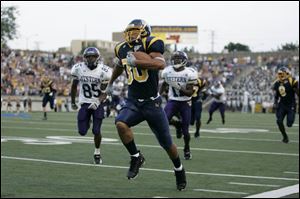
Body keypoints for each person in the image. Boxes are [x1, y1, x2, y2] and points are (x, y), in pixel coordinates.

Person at [105, 19, 186, 191]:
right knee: (120, 123)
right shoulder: (122, 48)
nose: (131, 34)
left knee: (167, 143)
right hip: (133, 101)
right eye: (130, 31)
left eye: (135, 31)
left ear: (144, 32)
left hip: (152, 103)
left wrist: (138, 61)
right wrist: (111, 82)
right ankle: (136, 157)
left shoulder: (152, 43)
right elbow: (120, 65)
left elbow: (160, 64)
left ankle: (178, 168)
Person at [71, 47, 112, 164]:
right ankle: (88, 121)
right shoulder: (78, 69)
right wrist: (73, 102)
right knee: (82, 132)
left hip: (97, 104)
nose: (90, 59)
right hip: (84, 103)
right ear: (85, 58)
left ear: (97, 57)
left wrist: (97, 102)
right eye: (88, 56)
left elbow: (105, 92)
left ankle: (97, 152)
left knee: (96, 131)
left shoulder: (104, 71)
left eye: (93, 56)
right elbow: (74, 86)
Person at [160, 51, 197, 160]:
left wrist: (178, 86)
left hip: (185, 102)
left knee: (186, 131)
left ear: (184, 60)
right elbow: (164, 84)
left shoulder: (190, 72)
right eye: (174, 59)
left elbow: (190, 93)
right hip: (173, 100)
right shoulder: (168, 71)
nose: (176, 61)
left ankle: (187, 148)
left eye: (178, 59)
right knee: (163, 120)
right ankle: (177, 124)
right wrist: (158, 95)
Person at [272, 66, 299, 143]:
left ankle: (291, 118)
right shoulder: (277, 83)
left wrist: (296, 89)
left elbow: (298, 93)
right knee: (279, 121)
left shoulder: (292, 81)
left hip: (291, 105)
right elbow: (276, 95)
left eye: (282, 74)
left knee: (289, 124)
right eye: (279, 74)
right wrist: (275, 102)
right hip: (282, 105)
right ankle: (285, 137)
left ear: (287, 73)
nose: (281, 75)